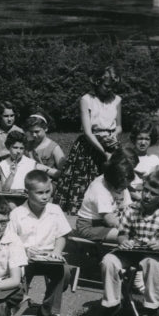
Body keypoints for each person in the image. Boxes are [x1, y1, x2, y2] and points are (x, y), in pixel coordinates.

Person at [88, 169, 159, 316]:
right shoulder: (132, 209)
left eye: (153, 194)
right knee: (109, 260)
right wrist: (124, 241)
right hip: (133, 252)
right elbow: (122, 234)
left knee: (151, 264)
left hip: (157, 254)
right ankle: (112, 304)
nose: (147, 196)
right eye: (145, 191)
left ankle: (153, 308)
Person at [8, 170, 73, 316]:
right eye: (39, 193)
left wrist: (57, 251)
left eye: (47, 192)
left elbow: (62, 235)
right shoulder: (17, 214)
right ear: (27, 193)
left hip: (48, 255)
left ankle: (46, 313)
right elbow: (10, 240)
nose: (45, 197)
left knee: (63, 272)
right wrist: (23, 251)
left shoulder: (55, 210)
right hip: (25, 257)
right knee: (19, 274)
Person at [54, 66, 123, 214]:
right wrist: (104, 152)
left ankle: (111, 207)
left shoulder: (117, 100)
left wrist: (114, 136)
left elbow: (119, 126)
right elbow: (87, 131)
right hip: (91, 144)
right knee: (86, 179)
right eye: (106, 86)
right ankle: (87, 212)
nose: (109, 90)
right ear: (97, 82)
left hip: (110, 142)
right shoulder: (86, 99)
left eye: (112, 87)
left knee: (114, 176)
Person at [72, 154, 135, 242]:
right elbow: (110, 220)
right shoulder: (100, 190)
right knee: (125, 235)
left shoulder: (118, 180)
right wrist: (131, 228)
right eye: (122, 187)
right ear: (112, 184)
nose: (125, 188)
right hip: (90, 226)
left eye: (126, 186)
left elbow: (129, 206)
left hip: (106, 222)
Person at [0, 100, 26, 196]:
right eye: (6, 116)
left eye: (12, 115)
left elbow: (22, 153)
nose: (9, 119)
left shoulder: (19, 131)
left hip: (13, 165)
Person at [24, 111, 67, 182]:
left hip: (48, 183)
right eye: (31, 132)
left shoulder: (54, 148)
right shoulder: (28, 146)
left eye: (37, 131)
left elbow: (64, 173)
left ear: (46, 128)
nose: (34, 135)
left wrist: (44, 168)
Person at [127, 119, 159, 201]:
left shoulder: (153, 159)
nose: (143, 142)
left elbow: (152, 183)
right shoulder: (127, 156)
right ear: (134, 139)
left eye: (147, 139)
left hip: (145, 196)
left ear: (151, 140)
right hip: (127, 195)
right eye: (140, 138)